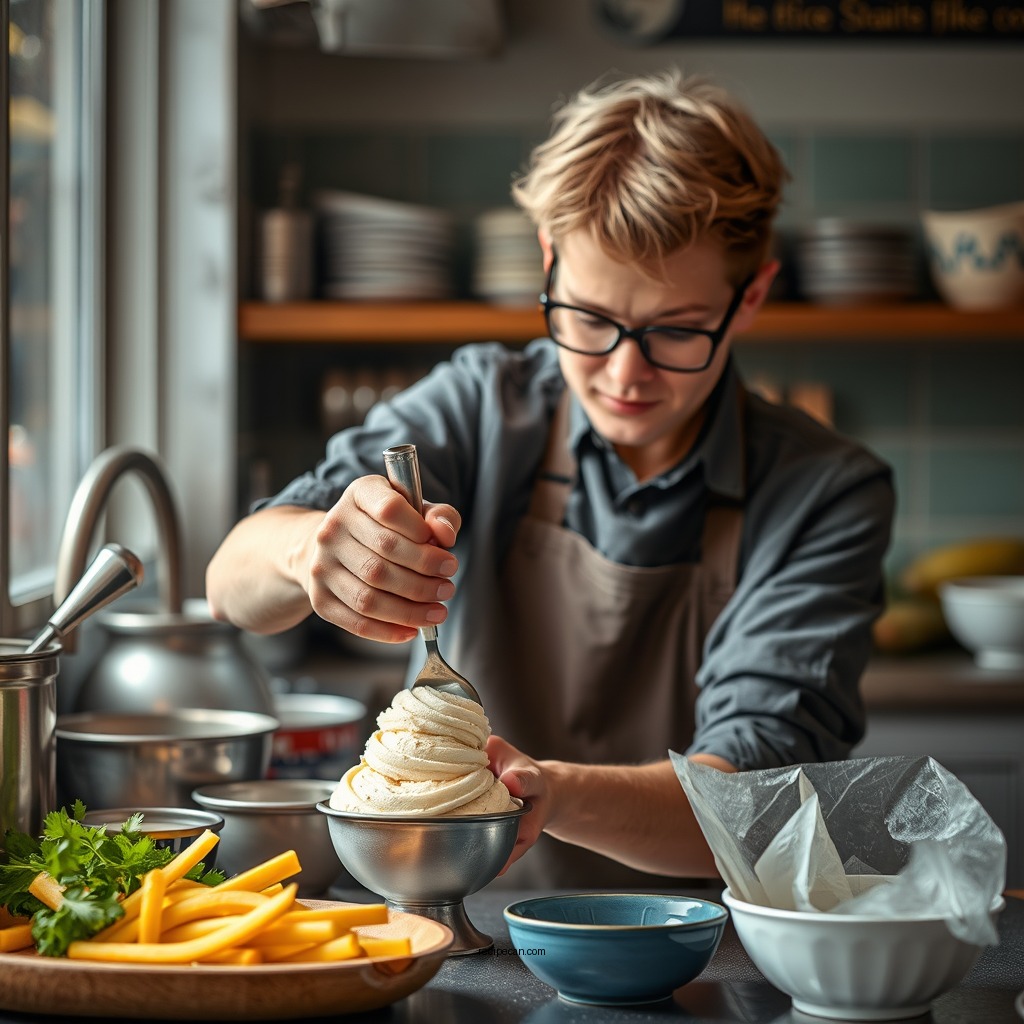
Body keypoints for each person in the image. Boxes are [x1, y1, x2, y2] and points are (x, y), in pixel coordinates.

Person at [207, 68, 894, 888]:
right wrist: (310, 554)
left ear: (749, 299)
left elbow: (751, 800)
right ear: (548, 259)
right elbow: (229, 584)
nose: (624, 374)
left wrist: (547, 795)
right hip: (466, 932)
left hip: (712, 956)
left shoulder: (826, 492)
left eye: (676, 332)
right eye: (590, 318)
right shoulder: (479, 407)